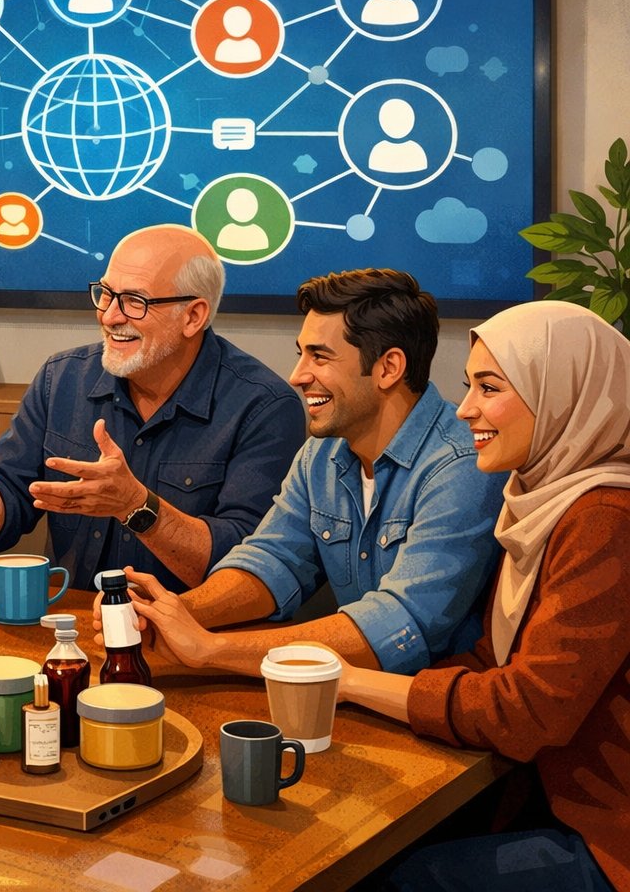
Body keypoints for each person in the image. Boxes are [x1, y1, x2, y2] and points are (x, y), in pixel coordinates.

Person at [196, 302, 629, 888]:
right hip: (531, 785)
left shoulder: (604, 518)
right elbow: (493, 660)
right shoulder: (542, 497)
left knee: (378, 875)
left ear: (560, 395)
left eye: (490, 388)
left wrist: (342, 680)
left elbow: (526, 710)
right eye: (468, 386)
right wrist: (182, 617)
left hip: (604, 830)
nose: (468, 408)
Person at [108, 269, 507, 675]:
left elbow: (401, 623)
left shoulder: (461, 464)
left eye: (319, 356)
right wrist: (167, 613)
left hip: (434, 713)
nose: (298, 375)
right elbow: (272, 560)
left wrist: (213, 649)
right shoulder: (322, 451)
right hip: (345, 696)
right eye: (302, 354)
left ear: (389, 367)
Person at [0, 223, 304, 592]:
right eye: (105, 294)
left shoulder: (264, 406)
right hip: (72, 628)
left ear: (193, 316)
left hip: (192, 643)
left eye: (136, 302)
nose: (110, 316)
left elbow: (246, 575)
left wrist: (136, 506)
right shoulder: (63, 379)